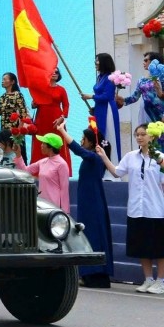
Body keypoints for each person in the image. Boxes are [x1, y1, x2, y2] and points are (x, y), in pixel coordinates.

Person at [97, 124, 164, 294]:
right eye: (137, 135)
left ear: (152, 137)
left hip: (156, 209)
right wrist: (104, 157)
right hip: (136, 209)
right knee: (141, 247)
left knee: (159, 248)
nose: (139, 138)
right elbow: (117, 173)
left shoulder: (160, 158)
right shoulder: (130, 157)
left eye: (143, 134)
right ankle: (148, 279)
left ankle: (161, 281)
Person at [54, 117, 113, 288]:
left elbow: (77, 149)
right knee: (89, 234)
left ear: (91, 142)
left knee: (93, 234)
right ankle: (89, 274)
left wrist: (62, 130)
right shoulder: (92, 158)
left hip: (92, 202)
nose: (81, 142)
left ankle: (95, 273)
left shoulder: (95, 158)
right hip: (88, 200)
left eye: (84, 139)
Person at [82, 54, 121, 160]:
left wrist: (91, 96)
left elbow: (107, 96)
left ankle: (111, 162)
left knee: (107, 134)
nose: (95, 63)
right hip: (99, 109)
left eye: (97, 61)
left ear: (104, 62)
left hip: (107, 110)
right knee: (97, 133)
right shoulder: (100, 77)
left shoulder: (110, 78)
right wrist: (94, 108)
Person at [33, 68, 72, 171]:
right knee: (40, 143)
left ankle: (60, 169)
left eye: (57, 72)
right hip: (42, 119)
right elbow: (35, 103)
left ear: (59, 75)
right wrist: (34, 103)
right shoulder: (41, 88)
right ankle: (38, 170)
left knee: (57, 144)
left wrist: (62, 117)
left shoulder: (61, 89)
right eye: (52, 72)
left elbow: (66, 105)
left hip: (56, 120)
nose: (54, 74)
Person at [22, 132, 70, 212]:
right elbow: (25, 171)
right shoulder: (43, 162)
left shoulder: (62, 164)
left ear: (50, 147)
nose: (41, 145)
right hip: (42, 204)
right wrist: (18, 156)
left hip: (54, 206)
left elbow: (64, 189)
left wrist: (65, 211)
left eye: (43, 143)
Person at [0, 72, 30, 162]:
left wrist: (19, 131)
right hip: (4, 131)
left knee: (19, 154)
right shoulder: (2, 97)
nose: (2, 81)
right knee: (4, 154)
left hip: (15, 131)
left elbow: (23, 114)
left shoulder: (17, 95)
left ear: (12, 82)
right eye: (2, 79)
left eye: (5, 79)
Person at [119, 51, 164, 124]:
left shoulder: (162, 77)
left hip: (161, 112)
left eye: (146, 60)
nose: (143, 62)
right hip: (147, 112)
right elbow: (134, 97)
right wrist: (122, 100)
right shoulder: (142, 80)